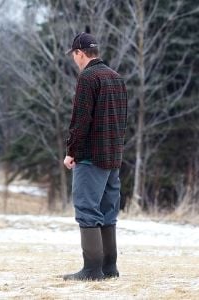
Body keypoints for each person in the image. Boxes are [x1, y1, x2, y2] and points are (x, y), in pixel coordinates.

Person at [62, 31, 128, 281]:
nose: (75, 60)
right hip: (113, 157)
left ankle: (91, 269)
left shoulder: (88, 78)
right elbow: (122, 120)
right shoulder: (116, 77)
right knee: (108, 211)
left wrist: (71, 151)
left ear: (80, 53)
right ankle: (109, 267)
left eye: (74, 55)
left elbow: (80, 121)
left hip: (90, 158)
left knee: (87, 209)